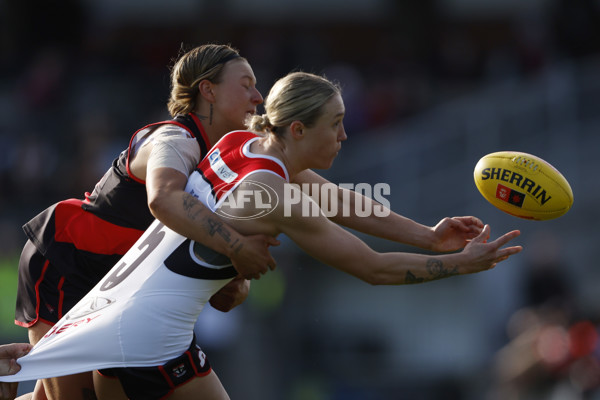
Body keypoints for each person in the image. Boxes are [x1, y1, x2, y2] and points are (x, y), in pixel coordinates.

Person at [2, 71, 523, 399]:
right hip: (147, 340)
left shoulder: (238, 143)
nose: (345, 135)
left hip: (115, 314)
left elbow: (340, 200)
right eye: (335, 124)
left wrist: (430, 237)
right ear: (297, 131)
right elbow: (373, 269)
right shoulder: (275, 196)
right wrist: (464, 264)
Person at [14, 43, 279, 400]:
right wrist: (237, 248)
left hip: (123, 286)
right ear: (208, 90)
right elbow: (163, 199)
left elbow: (224, 290)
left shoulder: (227, 164)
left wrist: (235, 277)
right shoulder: (174, 138)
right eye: (246, 84)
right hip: (66, 259)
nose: (258, 96)